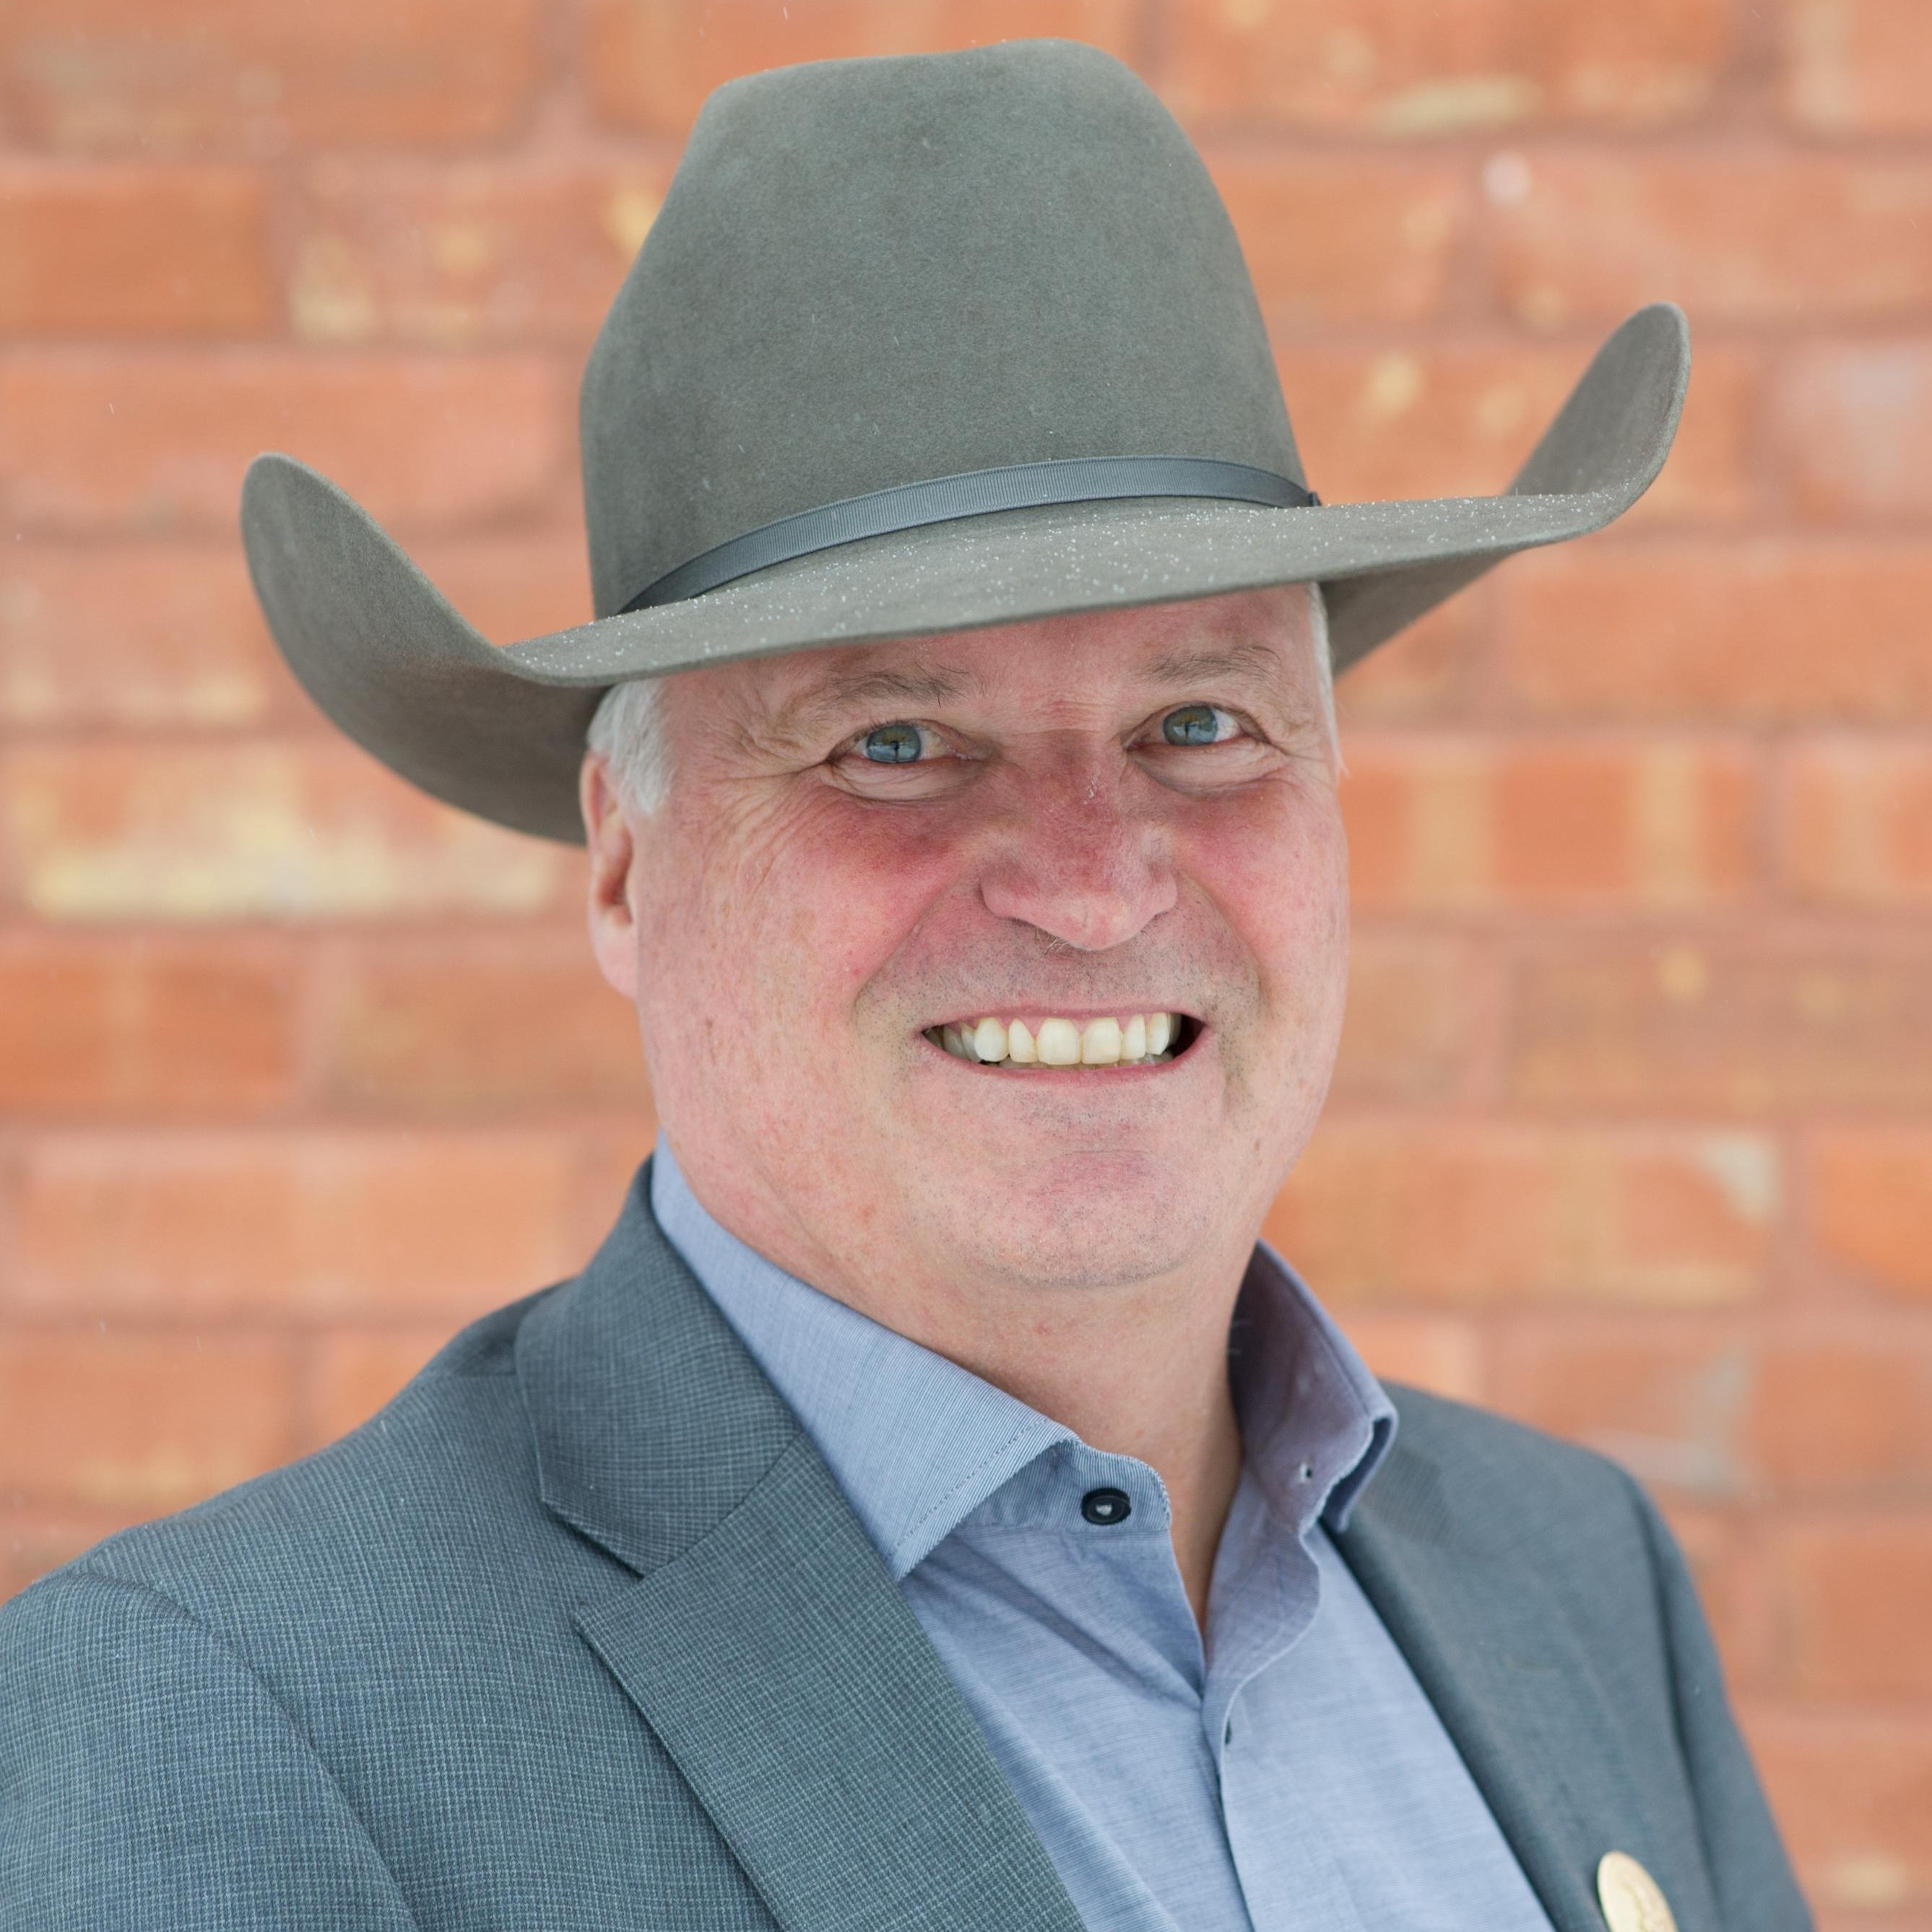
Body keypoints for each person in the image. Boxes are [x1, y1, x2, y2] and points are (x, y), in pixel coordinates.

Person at [0, 40, 1810, 1932]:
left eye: (1201, 723)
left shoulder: (1575, 1575)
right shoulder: (211, 1736)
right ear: (623, 861)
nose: (1093, 888)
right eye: (895, 744)